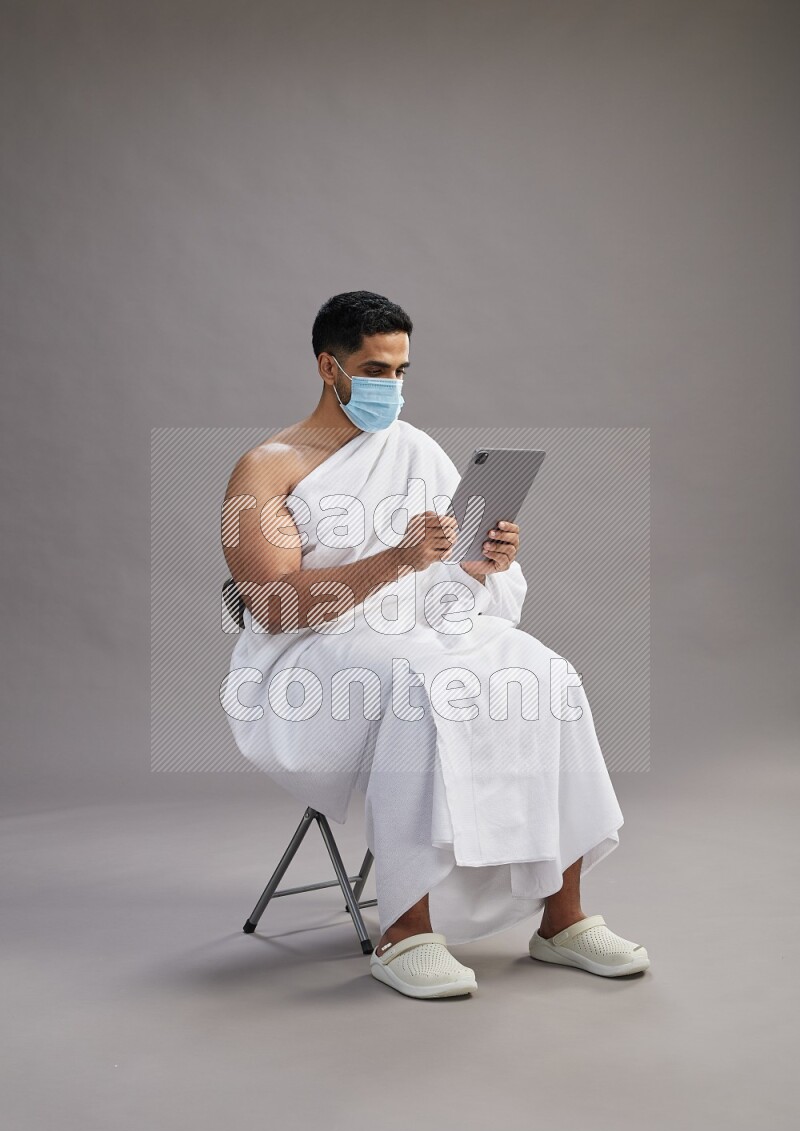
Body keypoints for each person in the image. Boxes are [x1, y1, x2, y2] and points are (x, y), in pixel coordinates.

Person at [220, 290, 650, 1000]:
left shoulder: (413, 447)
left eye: (402, 371)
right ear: (329, 367)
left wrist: (482, 565)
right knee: (423, 685)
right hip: (311, 655)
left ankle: (563, 919)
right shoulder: (263, 469)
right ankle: (406, 931)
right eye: (375, 370)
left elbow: (443, 576)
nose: (392, 387)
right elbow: (271, 607)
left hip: (421, 629)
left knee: (548, 675)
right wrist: (398, 558)